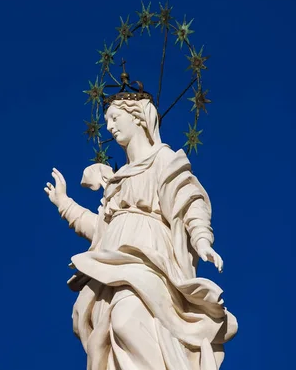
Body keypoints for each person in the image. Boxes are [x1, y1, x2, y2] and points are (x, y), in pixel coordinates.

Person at [44, 93, 237, 370]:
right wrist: (65, 204)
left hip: (148, 255)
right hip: (110, 264)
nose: (109, 126)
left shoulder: (162, 159)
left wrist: (202, 239)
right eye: (107, 121)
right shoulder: (117, 182)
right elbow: (101, 230)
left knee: (127, 319)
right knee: (108, 335)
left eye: (114, 117)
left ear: (137, 116)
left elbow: (189, 202)